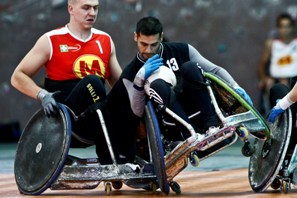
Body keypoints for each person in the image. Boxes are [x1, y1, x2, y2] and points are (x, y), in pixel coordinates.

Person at [106, 16, 253, 161]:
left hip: (199, 109)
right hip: (173, 123)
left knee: (190, 67)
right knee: (157, 85)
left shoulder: (183, 50)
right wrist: (139, 80)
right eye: (143, 44)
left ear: (161, 37)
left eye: (154, 45)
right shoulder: (130, 73)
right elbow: (137, 112)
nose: (148, 50)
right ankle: (189, 135)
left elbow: (214, 70)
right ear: (135, 37)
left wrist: (235, 86)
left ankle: (212, 125)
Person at [10, 0, 122, 164]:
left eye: (95, 8)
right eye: (86, 8)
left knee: (126, 97)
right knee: (93, 81)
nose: (92, 13)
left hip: (96, 117)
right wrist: (42, 95)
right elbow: (18, 76)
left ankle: (134, 155)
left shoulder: (105, 41)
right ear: (70, 8)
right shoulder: (50, 40)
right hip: (66, 121)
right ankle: (109, 160)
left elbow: (121, 87)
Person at [258, 13, 297, 115]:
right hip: (276, 79)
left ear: (292, 27)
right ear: (278, 28)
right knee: (271, 83)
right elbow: (262, 64)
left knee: (286, 83)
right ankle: (272, 117)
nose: (285, 30)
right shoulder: (271, 43)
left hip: (293, 79)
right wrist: (263, 80)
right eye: (282, 27)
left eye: (288, 26)